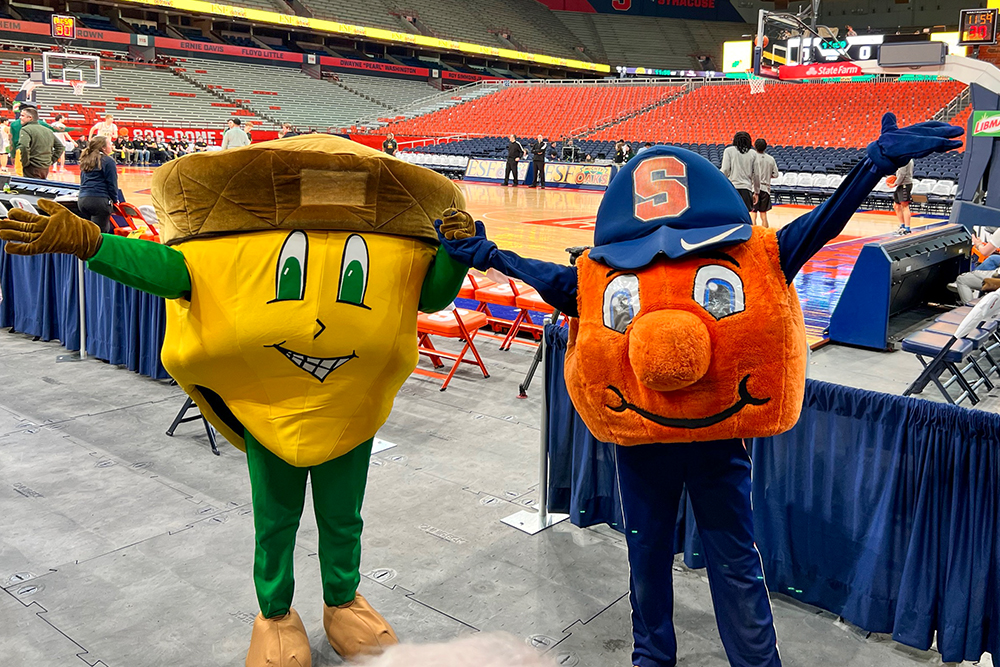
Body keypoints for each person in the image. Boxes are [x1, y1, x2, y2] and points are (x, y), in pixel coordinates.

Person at [76, 135, 119, 234]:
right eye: (109, 143)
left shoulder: (86, 159)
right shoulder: (108, 161)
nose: (111, 145)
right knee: (100, 234)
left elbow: (82, 180)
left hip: (82, 200)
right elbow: (112, 183)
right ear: (103, 147)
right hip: (99, 200)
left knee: (87, 233)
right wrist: (115, 200)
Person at [18, 105, 63, 180]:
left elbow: (24, 147)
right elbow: (60, 147)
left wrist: (25, 163)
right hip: (45, 167)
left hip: (32, 167)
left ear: (30, 118)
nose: (20, 117)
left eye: (22, 115)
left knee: (31, 189)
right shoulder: (48, 130)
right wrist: (51, 161)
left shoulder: (26, 129)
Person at [721, 131, 758, 212]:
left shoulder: (728, 151)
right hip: (746, 188)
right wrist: (756, 192)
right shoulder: (753, 153)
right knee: (745, 215)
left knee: (731, 213)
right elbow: (756, 175)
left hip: (732, 188)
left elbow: (725, 170)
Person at [752, 138, 780, 228]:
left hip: (753, 188)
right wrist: (767, 176)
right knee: (763, 216)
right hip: (765, 189)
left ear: (755, 146)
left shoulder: (751, 157)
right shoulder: (770, 159)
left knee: (753, 214)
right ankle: (765, 235)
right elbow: (775, 174)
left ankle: (754, 235)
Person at [892, 158, 914, 234]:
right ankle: (902, 226)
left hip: (905, 184)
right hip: (901, 184)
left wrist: (895, 183)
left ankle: (907, 228)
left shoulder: (905, 159)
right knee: (896, 205)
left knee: (905, 205)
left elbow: (902, 174)